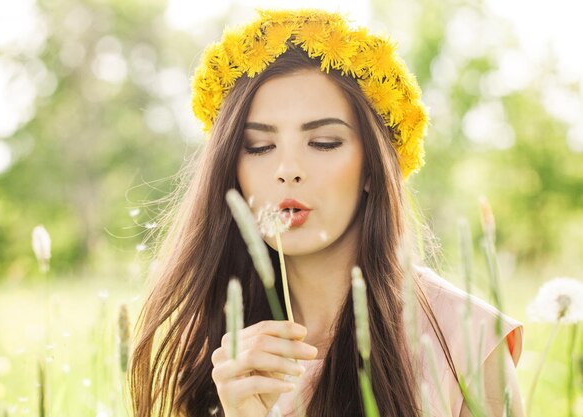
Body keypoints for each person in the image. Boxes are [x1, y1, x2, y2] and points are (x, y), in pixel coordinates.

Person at [128, 9, 524, 417]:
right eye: (259, 147)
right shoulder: (217, 352)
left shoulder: (467, 342)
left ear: (373, 166)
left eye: (323, 142)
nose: (287, 170)